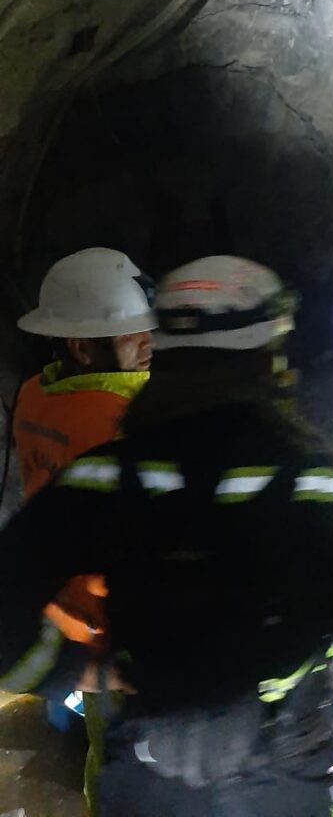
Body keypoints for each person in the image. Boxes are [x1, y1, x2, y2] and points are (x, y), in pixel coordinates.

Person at [0, 255, 333, 817]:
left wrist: (79, 670)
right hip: (290, 768)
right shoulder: (321, 488)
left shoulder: (107, 478)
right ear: (270, 358)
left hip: (149, 767)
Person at [13, 246, 156, 815]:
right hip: (114, 627)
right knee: (134, 761)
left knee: (97, 744)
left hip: (63, 616)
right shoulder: (127, 418)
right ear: (81, 344)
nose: (148, 344)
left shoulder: (32, 395)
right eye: (130, 335)